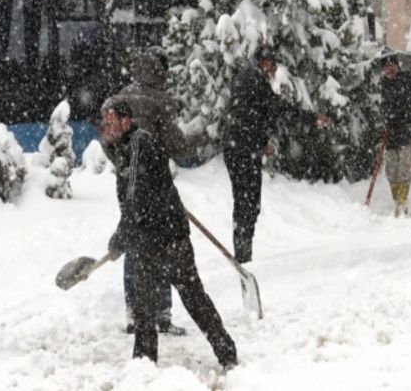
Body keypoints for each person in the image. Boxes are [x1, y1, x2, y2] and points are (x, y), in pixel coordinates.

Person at [101, 99, 238, 369]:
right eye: (104, 122)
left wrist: (119, 240)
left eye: (111, 121)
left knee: (191, 298)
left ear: (126, 121)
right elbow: (142, 195)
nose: (106, 127)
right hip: (151, 236)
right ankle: (145, 365)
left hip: (167, 238)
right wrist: (129, 234)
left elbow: (134, 201)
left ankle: (225, 354)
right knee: (147, 308)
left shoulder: (138, 146)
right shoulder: (129, 145)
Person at [102, 47, 205, 336]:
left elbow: (106, 139)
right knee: (162, 246)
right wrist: (201, 135)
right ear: (161, 70)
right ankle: (161, 314)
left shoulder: (122, 96)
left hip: (130, 184)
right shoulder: (161, 100)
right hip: (156, 190)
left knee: (134, 240)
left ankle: (135, 312)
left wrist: (125, 165)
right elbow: (178, 145)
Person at [222, 45, 330, 263]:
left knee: (245, 201)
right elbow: (276, 109)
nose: (274, 70)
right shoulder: (255, 81)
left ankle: (243, 251)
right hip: (243, 150)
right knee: (248, 203)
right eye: (273, 64)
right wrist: (311, 118)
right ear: (264, 63)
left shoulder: (247, 78)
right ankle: (243, 255)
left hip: (238, 148)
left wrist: (262, 142)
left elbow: (250, 116)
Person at [379, 53, 411, 217]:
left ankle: (402, 203)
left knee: (404, 168)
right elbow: (379, 110)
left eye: (391, 65)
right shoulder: (382, 86)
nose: (389, 70)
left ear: (397, 65)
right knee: (391, 170)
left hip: (409, 132)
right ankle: (397, 200)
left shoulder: (410, 81)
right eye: (385, 67)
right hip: (391, 135)